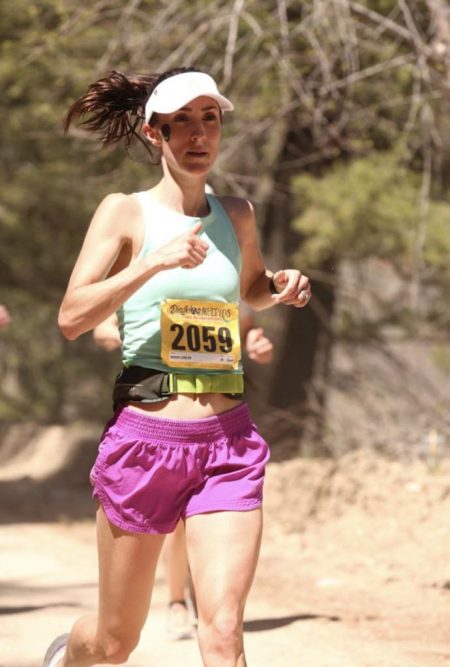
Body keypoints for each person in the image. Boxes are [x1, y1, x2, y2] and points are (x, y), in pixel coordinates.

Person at [43, 66, 311, 667]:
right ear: (153, 134)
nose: (198, 134)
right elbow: (70, 316)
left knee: (221, 632)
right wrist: (152, 263)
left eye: (209, 119)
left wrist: (280, 286)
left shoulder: (236, 213)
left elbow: (251, 288)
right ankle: (67, 657)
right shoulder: (124, 213)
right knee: (114, 643)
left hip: (228, 440)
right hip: (146, 439)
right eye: (181, 122)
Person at [92, 306, 274, 642]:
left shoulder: (226, 269)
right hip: (157, 426)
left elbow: (245, 323)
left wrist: (254, 342)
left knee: (223, 624)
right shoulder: (148, 266)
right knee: (114, 640)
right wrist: (136, 333)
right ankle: (176, 600)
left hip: (222, 429)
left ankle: (192, 604)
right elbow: (99, 326)